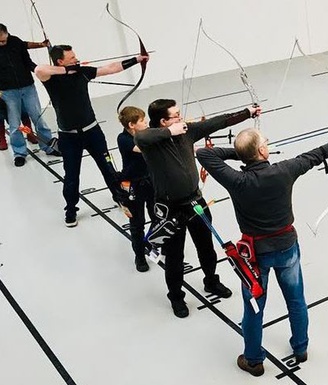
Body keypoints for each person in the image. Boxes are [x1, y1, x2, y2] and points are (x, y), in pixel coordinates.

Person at [196, 126, 328, 375]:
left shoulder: (237, 180)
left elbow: (204, 155)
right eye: (265, 143)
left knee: (254, 306)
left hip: (254, 255)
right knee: (296, 300)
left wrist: (241, 153)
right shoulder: (284, 170)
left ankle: (253, 360)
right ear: (262, 150)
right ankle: (300, 348)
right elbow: (316, 155)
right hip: (286, 248)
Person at [135, 99, 258, 318]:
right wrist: (169, 132)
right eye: (175, 115)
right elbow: (141, 135)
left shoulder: (186, 131)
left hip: (195, 202)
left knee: (206, 249)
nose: (180, 118)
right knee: (174, 257)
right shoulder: (151, 141)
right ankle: (176, 297)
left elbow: (217, 122)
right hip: (170, 208)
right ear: (163, 121)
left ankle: (211, 281)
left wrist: (247, 112)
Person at [34, 44, 146, 226]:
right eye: (71, 58)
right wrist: (66, 70)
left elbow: (109, 68)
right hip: (69, 137)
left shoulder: (83, 72)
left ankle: (119, 196)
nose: (76, 60)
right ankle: (71, 209)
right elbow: (39, 69)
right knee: (71, 175)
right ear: (60, 61)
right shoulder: (51, 79)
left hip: (93, 132)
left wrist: (137, 60)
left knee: (107, 166)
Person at [0, 24, 59, 162]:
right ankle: (19, 153)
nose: (2, 43)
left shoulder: (15, 42)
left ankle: (48, 147)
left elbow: (28, 61)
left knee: (38, 118)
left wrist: (40, 70)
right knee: (15, 125)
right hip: (8, 92)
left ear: (7, 34)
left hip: (28, 87)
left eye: (4, 40)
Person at [116, 106, 156, 272]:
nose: (145, 123)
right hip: (132, 185)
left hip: (150, 182)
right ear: (132, 125)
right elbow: (143, 148)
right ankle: (139, 256)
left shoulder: (145, 133)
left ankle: (150, 241)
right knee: (137, 222)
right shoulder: (124, 138)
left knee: (157, 217)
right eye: (142, 121)